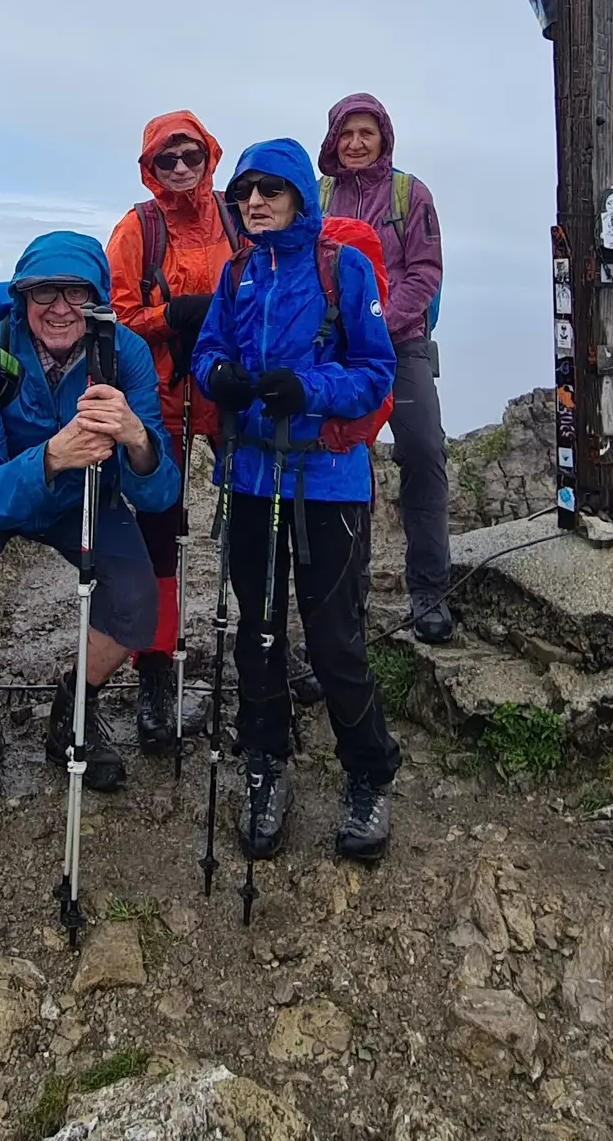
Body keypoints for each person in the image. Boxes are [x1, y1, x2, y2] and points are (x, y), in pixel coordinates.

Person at [192, 138, 400, 863]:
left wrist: (307, 389)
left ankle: (370, 772)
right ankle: (264, 761)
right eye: (245, 193)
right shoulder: (239, 270)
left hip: (327, 479)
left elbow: (376, 369)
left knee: (335, 637)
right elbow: (207, 349)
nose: (254, 203)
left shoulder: (343, 268)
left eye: (269, 192)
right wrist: (216, 373)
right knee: (260, 630)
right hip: (251, 478)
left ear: (298, 200)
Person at [0, 232, 179, 818]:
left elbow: (160, 489)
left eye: (75, 291)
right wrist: (50, 458)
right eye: (45, 292)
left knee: (137, 601)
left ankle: (74, 707)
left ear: (96, 297)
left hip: (84, 497)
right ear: (22, 297)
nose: (60, 306)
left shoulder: (126, 355)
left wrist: (136, 439)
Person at [103, 111, 241, 751]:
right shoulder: (138, 228)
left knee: (250, 519)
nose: (181, 168)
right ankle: (155, 669)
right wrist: (170, 318)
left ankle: (262, 645)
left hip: (231, 390)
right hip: (161, 396)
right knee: (160, 530)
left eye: (189, 156)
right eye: (167, 160)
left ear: (209, 155)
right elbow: (114, 317)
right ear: (150, 167)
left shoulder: (240, 217)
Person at [317, 94, 452, 642]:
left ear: (383, 137)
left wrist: (373, 323)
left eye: (365, 133)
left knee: (422, 453)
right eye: (346, 133)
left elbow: (424, 273)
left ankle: (429, 593)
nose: (355, 143)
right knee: (348, 464)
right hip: (338, 353)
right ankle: (352, 599)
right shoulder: (318, 196)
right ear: (332, 138)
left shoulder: (409, 194)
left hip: (401, 346)